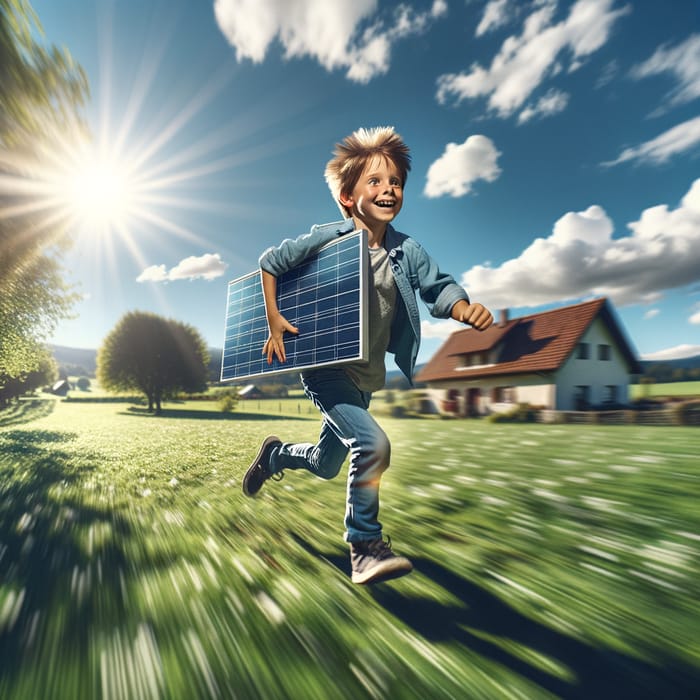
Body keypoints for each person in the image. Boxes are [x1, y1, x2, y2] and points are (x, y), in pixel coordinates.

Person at [242, 126, 493, 584]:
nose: (388, 189)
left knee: (326, 463)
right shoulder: (327, 240)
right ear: (346, 196)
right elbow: (270, 262)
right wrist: (275, 318)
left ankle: (274, 457)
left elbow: (438, 286)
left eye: (395, 182)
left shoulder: (405, 250)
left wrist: (461, 307)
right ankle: (364, 545)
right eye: (374, 182)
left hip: (364, 379)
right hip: (325, 370)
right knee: (373, 445)